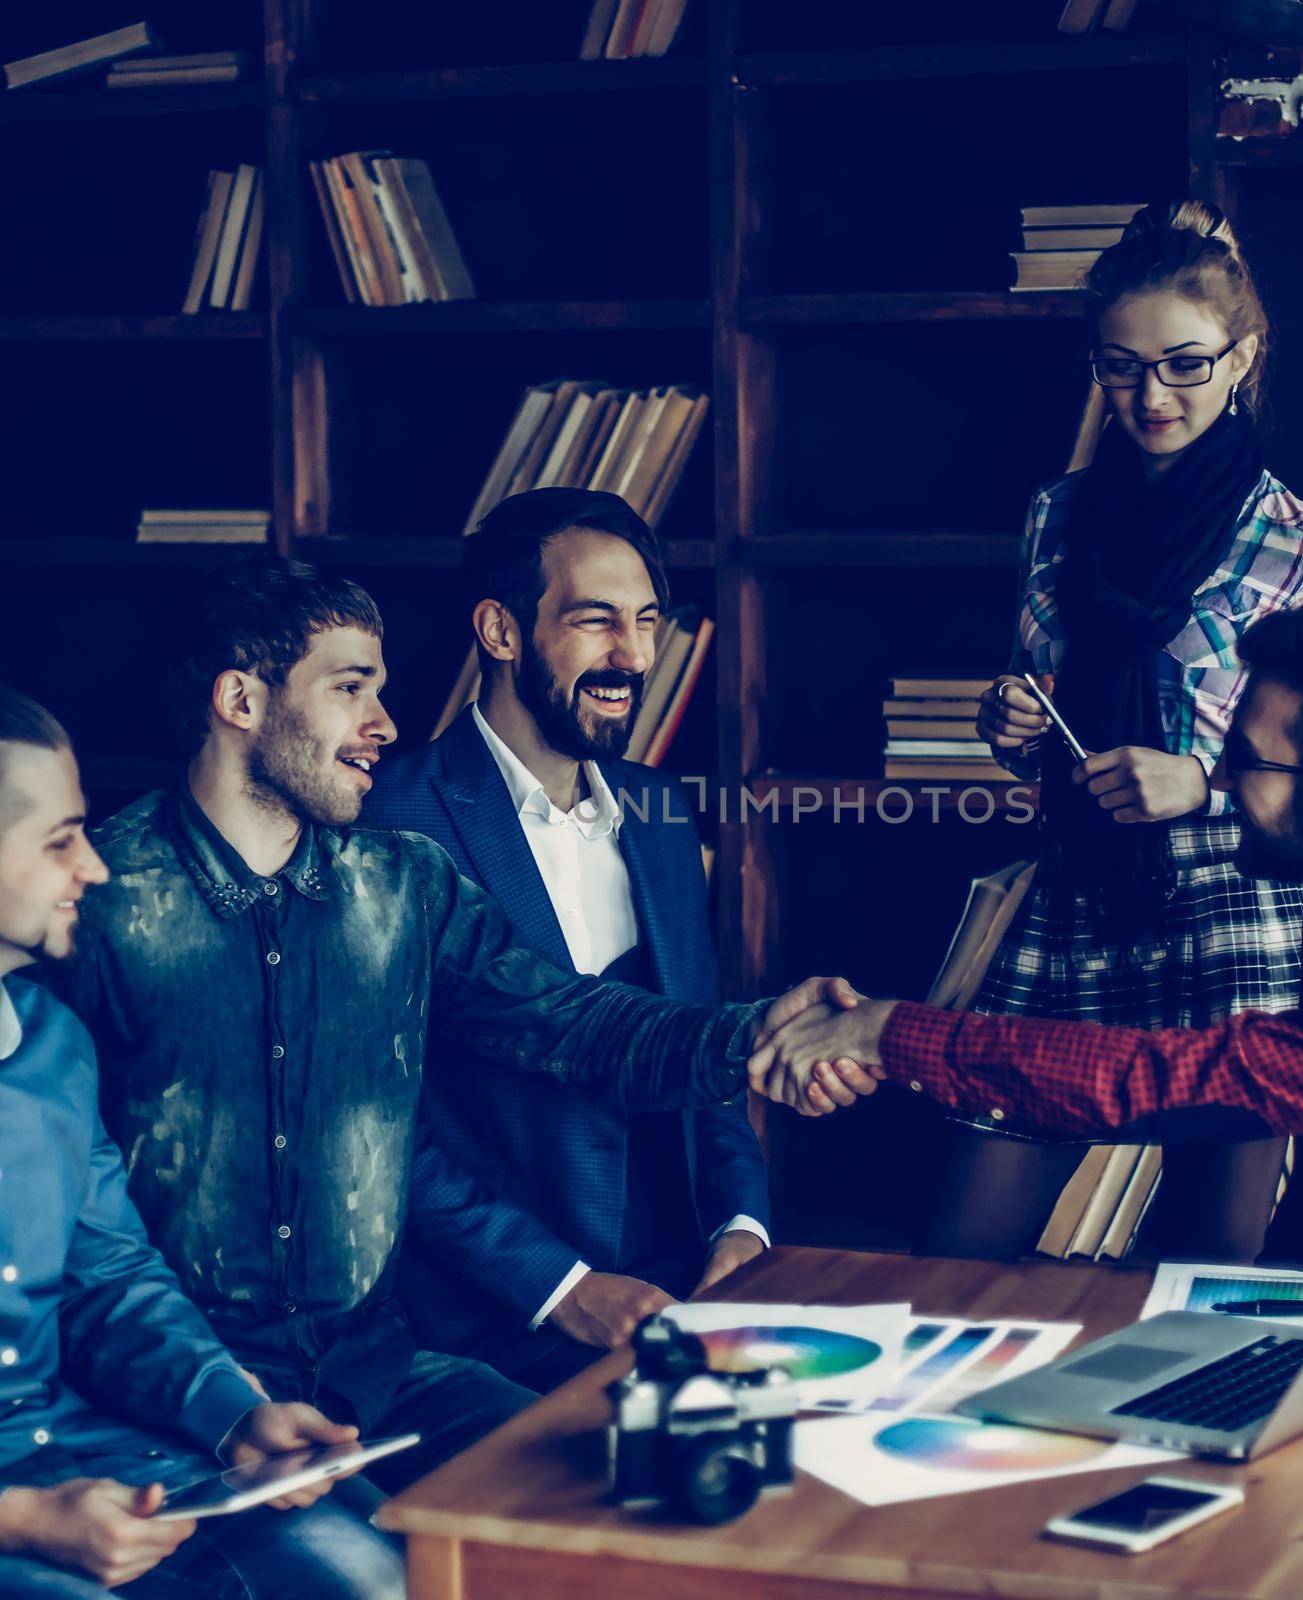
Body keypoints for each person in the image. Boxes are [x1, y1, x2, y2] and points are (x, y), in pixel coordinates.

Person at [752, 601, 1303, 1600]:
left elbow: (1165, 1083)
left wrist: (891, 1031)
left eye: (1244, 758)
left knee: (1282, 1577)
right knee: (1061, 1497)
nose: (1221, 780)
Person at [40, 556, 839, 1498]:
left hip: (387, 1379)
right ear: (240, 700)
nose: (384, 725)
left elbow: (573, 1025)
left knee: (637, 1492)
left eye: (380, 690)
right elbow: (70, 1222)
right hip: (193, 1405)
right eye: (350, 689)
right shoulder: (92, 903)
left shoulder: (405, 885)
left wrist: (760, 1036)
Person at [957, 199, 1303, 1258]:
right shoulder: (1054, 516)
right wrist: (1008, 722)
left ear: (1242, 356)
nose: (1152, 395)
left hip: (1235, 912)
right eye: (1121, 367)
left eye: (1185, 364)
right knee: (952, 1251)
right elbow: (1042, 708)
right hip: (1078, 889)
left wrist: (1205, 782)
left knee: (1204, 1279)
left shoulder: (1301, 545)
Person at [0, 686, 403, 1599]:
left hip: (89, 1455)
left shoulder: (54, 1046)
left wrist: (234, 1419)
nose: (94, 870)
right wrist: (19, 1522)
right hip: (27, 1514)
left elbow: (111, 1282)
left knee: (378, 1577)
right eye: (60, 840)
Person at [366, 489, 769, 1391]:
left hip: (685, 1299)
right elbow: (378, 1127)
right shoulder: (386, 821)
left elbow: (701, 1054)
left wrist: (740, 1228)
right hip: (491, 1326)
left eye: (647, 622)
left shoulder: (661, 813)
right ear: (501, 632)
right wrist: (561, 1288)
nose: (633, 656)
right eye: (595, 622)